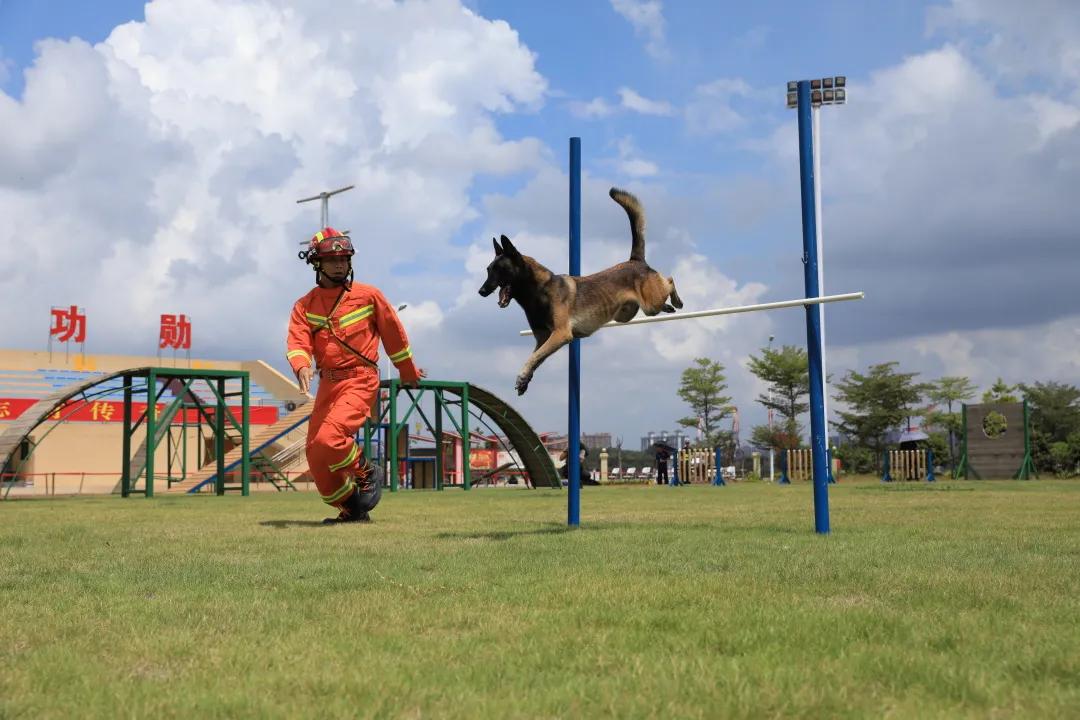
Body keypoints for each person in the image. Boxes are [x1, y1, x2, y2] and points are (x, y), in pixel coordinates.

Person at [286, 227, 424, 524]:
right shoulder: (304, 306)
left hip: (360, 380)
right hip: (328, 383)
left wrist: (407, 371)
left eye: (345, 258)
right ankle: (352, 509)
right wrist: (301, 366)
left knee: (329, 439)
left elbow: (394, 335)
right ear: (316, 263)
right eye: (333, 259)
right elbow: (297, 341)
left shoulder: (369, 296)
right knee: (316, 455)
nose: (340, 264)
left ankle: (366, 472)